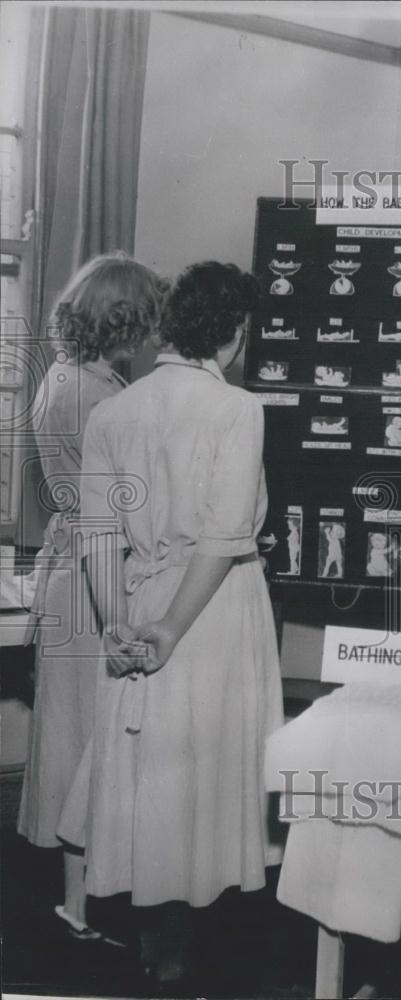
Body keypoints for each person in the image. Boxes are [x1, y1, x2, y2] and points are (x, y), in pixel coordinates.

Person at [60, 262, 284, 987]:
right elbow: (222, 538)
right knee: (208, 774)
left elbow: (97, 533)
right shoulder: (237, 409)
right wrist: (169, 630)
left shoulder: (115, 411)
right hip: (213, 613)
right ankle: (198, 952)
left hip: (137, 596)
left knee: (155, 777)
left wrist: (121, 625)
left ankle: (162, 946)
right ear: (236, 334)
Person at [17, 252, 167, 941]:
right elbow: (137, 502)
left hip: (67, 562)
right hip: (95, 573)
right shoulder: (104, 396)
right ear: (127, 322)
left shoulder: (61, 377)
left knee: (74, 737)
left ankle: (79, 903)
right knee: (97, 742)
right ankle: (87, 905)